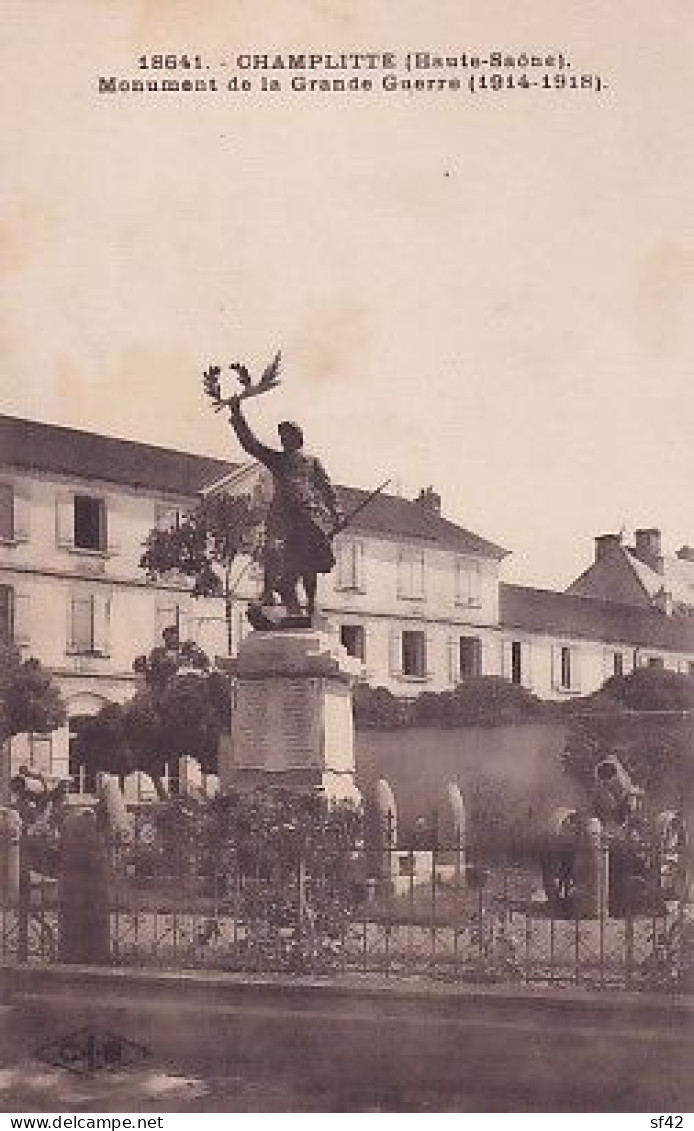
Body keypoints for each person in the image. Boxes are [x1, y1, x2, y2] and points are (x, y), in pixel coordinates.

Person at [228, 394, 343, 617]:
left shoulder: (311, 462)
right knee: (276, 555)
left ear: (298, 438)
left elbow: (327, 488)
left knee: (310, 562)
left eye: (287, 436)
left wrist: (336, 513)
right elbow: (251, 445)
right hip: (284, 519)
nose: (283, 440)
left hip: (310, 517)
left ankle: (310, 604)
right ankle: (275, 597)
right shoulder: (277, 460)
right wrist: (237, 414)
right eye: (281, 436)